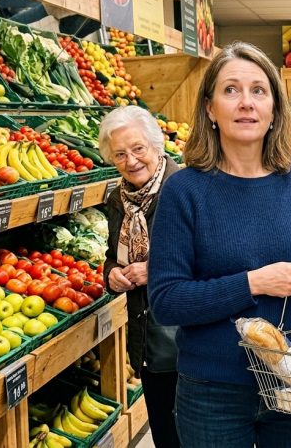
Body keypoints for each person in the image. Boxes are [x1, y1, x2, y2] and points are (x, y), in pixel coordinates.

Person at [147, 42, 291, 448]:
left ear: (275, 109)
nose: (246, 103)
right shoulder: (184, 191)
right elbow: (166, 300)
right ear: (209, 108)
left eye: (259, 90)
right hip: (212, 390)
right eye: (231, 90)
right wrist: (253, 283)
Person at [98, 106, 181, 448]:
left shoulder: (183, 189)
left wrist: (156, 270)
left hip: (187, 342)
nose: (131, 161)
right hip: (148, 342)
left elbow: (212, 261)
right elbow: (110, 257)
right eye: (120, 154)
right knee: (165, 434)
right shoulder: (118, 199)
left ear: (156, 146)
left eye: (138, 149)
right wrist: (112, 276)